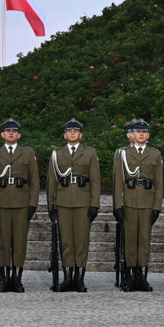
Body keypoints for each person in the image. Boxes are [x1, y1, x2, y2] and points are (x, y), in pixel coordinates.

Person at [46, 118, 100, 292]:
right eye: (69, 131)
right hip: (62, 202)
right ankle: (67, 277)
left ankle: (79, 278)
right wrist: (51, 205)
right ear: (65, 135)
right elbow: (51, 182)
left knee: (82, 241)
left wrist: (95, 204)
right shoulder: (57, 154)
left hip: (83, 202)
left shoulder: (90, 153)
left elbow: (96, 181)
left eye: (75, 131)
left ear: (80, 134)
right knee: (67, 241)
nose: (72, 134)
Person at [0, 118, 39, 293]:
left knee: (19, 242)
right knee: (3, 242)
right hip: (1, 203)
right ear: (2, 134)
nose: (11, 133)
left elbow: (34, 181)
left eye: (14, 131)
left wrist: (33, 203)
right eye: (8, 131)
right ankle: (4, 278)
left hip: (21, 203)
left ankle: (16, 278)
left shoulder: (28, 152)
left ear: (19, 135)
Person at [112, 119, 163, 292]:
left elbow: (159, 183)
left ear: (148, 135)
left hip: (147, 202)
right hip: (129, 202)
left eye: (144, 132)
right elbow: (118, 182)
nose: (141, 134)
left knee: (144, 241)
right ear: (132, 134)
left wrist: (157, 207)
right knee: (131, 241)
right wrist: (118, 205)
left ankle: (142, 276)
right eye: (138, 131)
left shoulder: (155, 154)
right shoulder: (123, 154)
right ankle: (130, 276)